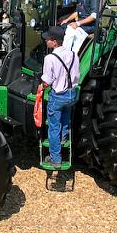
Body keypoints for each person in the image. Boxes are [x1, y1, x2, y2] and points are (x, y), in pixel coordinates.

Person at [41, 26, 80, 169]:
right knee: (65, 119)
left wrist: (41, 87)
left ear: (55, 42)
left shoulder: (49, 58)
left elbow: (47, 81)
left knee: (53, 127)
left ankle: (55, 158)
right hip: (71, 94)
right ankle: (63, 139)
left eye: (48, 39)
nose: (46, 41)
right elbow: (76, 75)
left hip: (57, 96)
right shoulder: (74, 55)